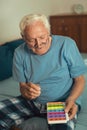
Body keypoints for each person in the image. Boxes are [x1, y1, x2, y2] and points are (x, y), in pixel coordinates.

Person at [12, 14, 87, 130]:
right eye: (32, 40)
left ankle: (35, 124)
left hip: (63, 102)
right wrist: (27, 92)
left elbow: (80, 79)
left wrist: (72, 100)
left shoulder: (67, 44)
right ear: (23, 37)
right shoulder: (19, 52)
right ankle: (39, 122)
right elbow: (22, 87)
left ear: (48, 31)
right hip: (32, 103)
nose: (39, 44)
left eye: (42, 37)